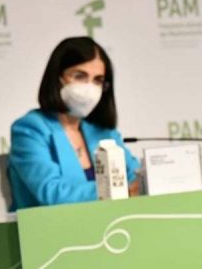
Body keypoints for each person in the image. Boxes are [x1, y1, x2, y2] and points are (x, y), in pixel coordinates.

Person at [8, 37, 140, 210]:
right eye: (80, 76)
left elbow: (135, 178)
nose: (89, 87)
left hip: (110, 222)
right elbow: (52, 193)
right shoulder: (30, 129)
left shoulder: (103, 132)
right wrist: (119, 192)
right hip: (50, 225)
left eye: (98, 80)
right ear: (57, 78)